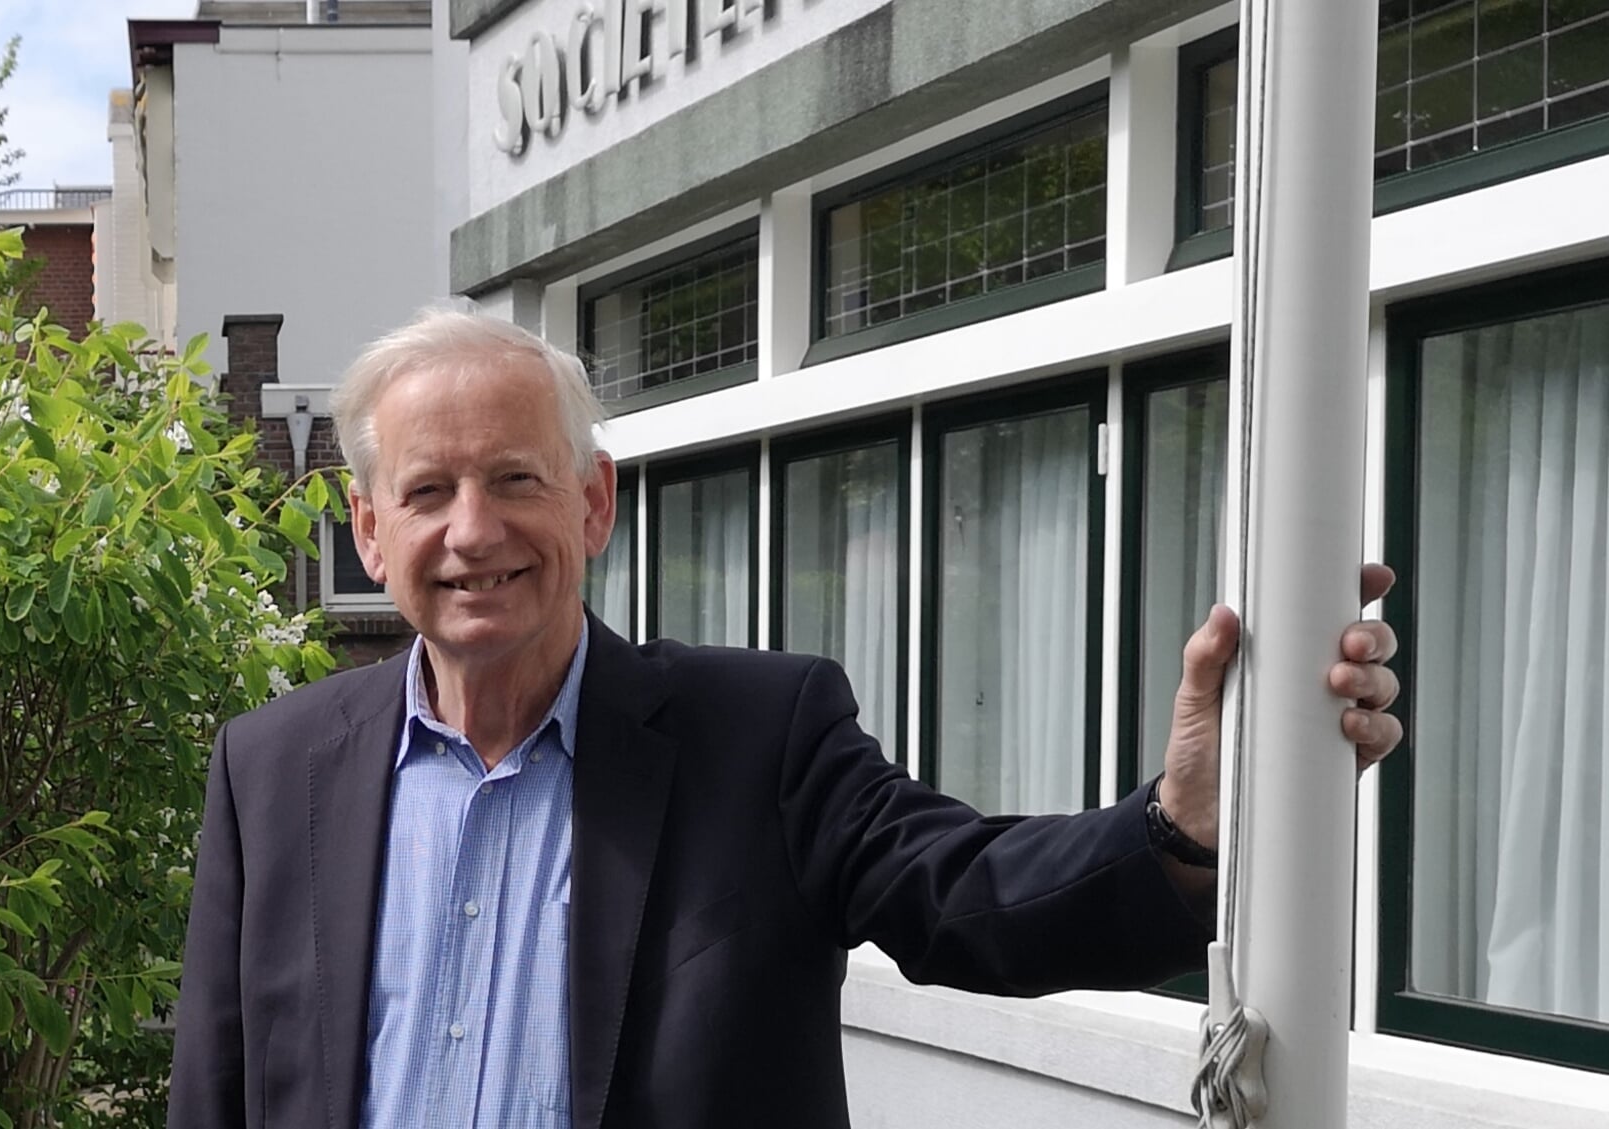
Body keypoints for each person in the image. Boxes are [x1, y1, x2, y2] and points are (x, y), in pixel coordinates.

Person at [166, 310, 1402, 1129]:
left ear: (593, 503)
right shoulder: (273, 769)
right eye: (426, 491)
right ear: (369, 530)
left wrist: (1178, 823)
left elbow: (961, 895)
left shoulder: (756, 735)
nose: (471, 531)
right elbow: (215, 1087)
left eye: (515, 479)